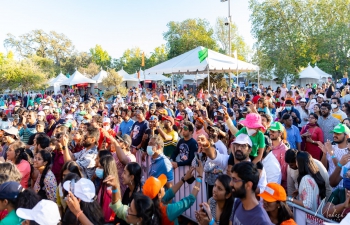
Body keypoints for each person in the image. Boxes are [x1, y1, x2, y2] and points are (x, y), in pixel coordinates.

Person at [318, 123, 350, 188]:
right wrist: (324, 154)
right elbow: (324, 168)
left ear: (346, 136)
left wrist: (331, 153)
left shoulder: (349, 151)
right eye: (334, 133)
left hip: (342, 188)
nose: (334, 135)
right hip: (328, 186)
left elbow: (340, 169)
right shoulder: (331, 147)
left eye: (338, 133)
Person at [268, 122, 288, 188]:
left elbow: (284, 173)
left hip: (278, 185)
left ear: (280, 133)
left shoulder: (284, 150)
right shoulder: (268, 147)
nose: (270, 133)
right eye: (270, 131)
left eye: (273, 131)